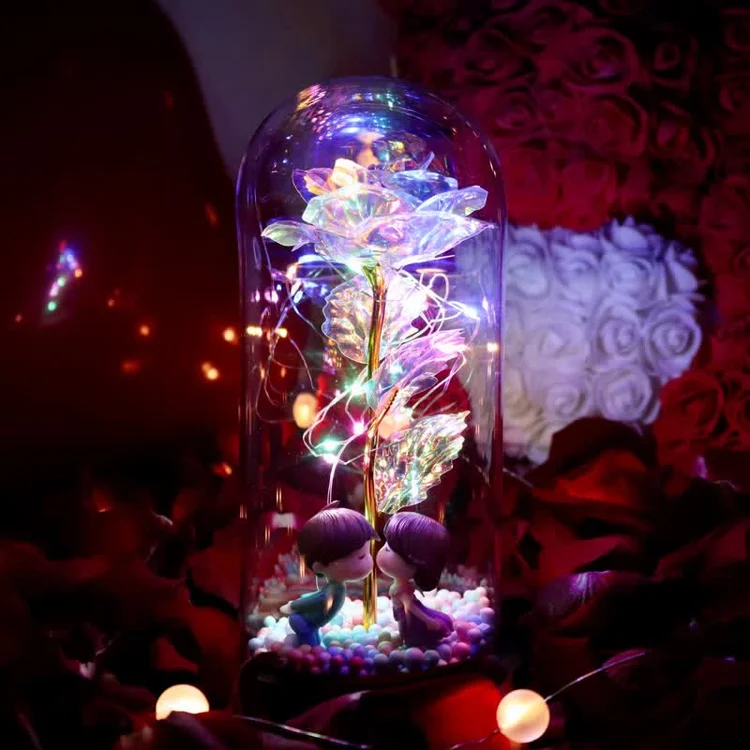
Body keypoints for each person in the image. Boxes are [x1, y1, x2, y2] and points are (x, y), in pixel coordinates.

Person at [280, 504, 377, 646]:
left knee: (313, 635)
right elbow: (315, 600)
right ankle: (312, 649)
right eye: (361, 557)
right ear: (319, 566)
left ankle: (313, 647)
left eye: (367, 553)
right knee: (310, 642)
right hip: (304, 620)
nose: (369, 560)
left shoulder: (336, 587)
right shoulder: (333, 590)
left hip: (312, 621)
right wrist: (293, 605)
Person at [377, 511, 453, 648]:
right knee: (404, 626)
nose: (380, 552)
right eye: (386, 545)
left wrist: (429, 621)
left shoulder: (402, 589)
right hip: (402, 612)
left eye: (387, 549)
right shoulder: (402, 585)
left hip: (410, 616)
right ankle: (404, 638)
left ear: (414, 561)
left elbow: (411, 607)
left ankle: (408, 640)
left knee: (409, 631)